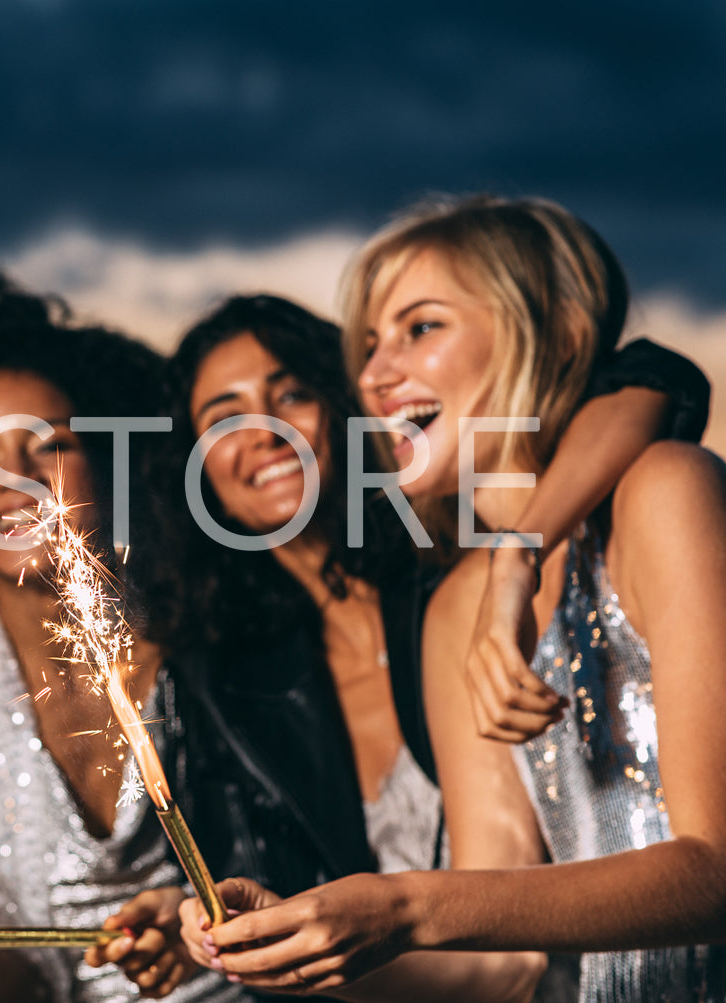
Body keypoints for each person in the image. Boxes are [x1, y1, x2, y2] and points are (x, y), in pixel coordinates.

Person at [182, 196, 726, 1001]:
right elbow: (499, 963)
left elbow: (714, 871)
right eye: (367, 346)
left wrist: (407, 903)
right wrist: (295, 946)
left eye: (420, 327)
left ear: (554, 331)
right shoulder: (452, 612)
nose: (372, 374)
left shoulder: (664, 490)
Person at [0, 264, 312, 1003]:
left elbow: (321, 885)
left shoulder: (226, 651)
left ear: (108, 465)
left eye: (50, 444)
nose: (15, 478)